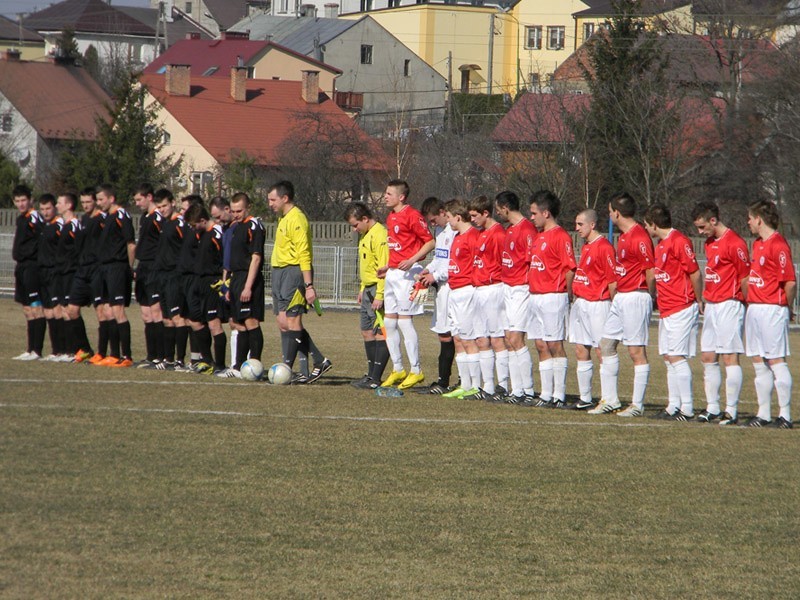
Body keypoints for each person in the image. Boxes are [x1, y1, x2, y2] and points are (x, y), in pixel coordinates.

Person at [589, 193, 655, 417]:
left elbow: (650, 271)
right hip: (622, 297)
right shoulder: (625, 236)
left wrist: (649, 296)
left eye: (610, 212)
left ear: (617, 213)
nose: (609, 216)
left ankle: (637, 405)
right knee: (606, 344)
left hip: (635, 296)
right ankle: (611, 399)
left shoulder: (639, 236)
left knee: (636, 351)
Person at [691, 201, 750, 425]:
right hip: (712, 305)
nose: (700, 231)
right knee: (707, 356)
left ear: (713, 220)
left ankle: (731, 411)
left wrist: (747, 302)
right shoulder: (709, 243)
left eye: (702, 226)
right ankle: (712, 407)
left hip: (730, 304)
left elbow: (744, 276)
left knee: (729, 356)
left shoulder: (735, 243)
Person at [268, 181, 331, 383]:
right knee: (282, 322)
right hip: (279, 273)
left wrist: (309, 285)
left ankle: (288, 368)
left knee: (293, 321)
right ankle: (318, 361)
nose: (270, 204)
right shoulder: (283, 219)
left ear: (285, 198)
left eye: (272, 199)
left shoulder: (297, 219)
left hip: (293, 274)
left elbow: (304, 254)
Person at [643, 203, 702, 421]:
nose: (646, 230)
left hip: (682, 307)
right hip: (667, 308)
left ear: (654, 224)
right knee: (668, 357)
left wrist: (698, 299)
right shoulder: (660, 245)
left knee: (677, 357)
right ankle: (673, 406)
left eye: (647, 225)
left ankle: (687, 409)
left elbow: (694, 273)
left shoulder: (679, 241)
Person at [743, 200, 796, 428]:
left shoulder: (778, 245)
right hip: (754, 308)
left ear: (759, 219)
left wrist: (787, 307)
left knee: (775, 360)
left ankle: (785, 415)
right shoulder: (757, 244)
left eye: (750, 218)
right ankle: (763, 413)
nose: (748, 222)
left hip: (772, 309)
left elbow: (790, 282)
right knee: (758, 361)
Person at [378, 180, 435, 390]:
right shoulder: (391, 216)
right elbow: (398, 247)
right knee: (389, 323)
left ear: (401, 197)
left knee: (404, 322)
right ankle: (398, 368)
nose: (385, 196)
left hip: (409, 275)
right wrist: (389, 266)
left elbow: (430, 241)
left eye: (389, 193)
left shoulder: (412, 215)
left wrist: (412, 260)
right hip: (394, 274)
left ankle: (416, 370)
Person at [527, 190, 577, 408]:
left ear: (546, 213)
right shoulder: (539, 237)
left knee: (555, 344)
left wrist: (566, 294)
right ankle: (546, 394)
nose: (531, 217)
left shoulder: (560, 236)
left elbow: (569, 268)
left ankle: (559, 394)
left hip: (552, 297)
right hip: (535, 296)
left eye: (534, 213)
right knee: (540, 344)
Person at [569, 209, 616, 411]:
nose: (576, 228)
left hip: (598, 304)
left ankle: (609, 399)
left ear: (592, 225)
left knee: (601, 351)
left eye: (580, 224)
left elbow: (612, 281)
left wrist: (615, 307)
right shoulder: (587, 246)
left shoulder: (604, 247)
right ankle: (585, 397)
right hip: (581, 304)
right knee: (580, 349)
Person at [495, 190, 536, 404]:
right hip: (507, 288)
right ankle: (516, 390)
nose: (497, 213)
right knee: (509, 340)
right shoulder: (510, 230)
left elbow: (531, 262)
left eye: (498, 209)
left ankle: (528, 390)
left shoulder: (527, 229)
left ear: (505, 208)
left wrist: (527, 286)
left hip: (521, 289)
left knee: (517, 339)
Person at [438, 198, 482, 399]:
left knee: (468, 338)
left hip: (466, 291)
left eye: (448, 217)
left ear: (457, 217)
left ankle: (476, 385)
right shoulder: (456, 236)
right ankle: (464, 384)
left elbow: (478, 264)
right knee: (457, 338)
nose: (447, 221)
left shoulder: (474, 236)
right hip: (454, 291)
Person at [345, 202, 389, 389]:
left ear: (365, 218)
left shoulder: (379, 234)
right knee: (366, 331)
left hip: (377, 291)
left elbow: (383, 268)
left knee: (380, 332)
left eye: (356, 225)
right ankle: (371, 375)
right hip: (368, 289)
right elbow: (367, 264)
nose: (354, 230)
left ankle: (376, 378)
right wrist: (363, 288)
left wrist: (379, 295)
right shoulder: (365, 235)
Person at [469, 195, 509, 400]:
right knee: (481, 339)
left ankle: (503, 386)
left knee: (497, 338)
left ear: (486, 213)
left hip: (494, 289)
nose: (472, 220)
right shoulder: (482, 233)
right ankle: (488, 386)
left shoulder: (499, 234)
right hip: (479, 290)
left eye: (475, 216)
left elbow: (505, 264)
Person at [222, 192, 266, 377]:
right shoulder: (235, 227)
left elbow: (256, 258)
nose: (236, 214)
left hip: (250, 279)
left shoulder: (254, 226)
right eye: (233, 211)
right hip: (237, 279)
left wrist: (248, 287)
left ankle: (254, 366)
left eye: (239, 210)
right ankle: (238, 366)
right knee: (239, 323)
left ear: (248, 208)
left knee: (251, 322)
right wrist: (229, 285)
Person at [418, 197, 457, 394]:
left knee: (453, 335)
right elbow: (439, 259)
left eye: (434, 220)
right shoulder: (440, 231)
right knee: (443, 333)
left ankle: (448, 382)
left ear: (443, 212)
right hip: (441, 288)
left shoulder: (456, 232)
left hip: (453, 288)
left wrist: (436, 275)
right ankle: (443, 381)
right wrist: (428, 270)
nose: (433, 224)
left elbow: (453, 265)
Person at [94, 184, 136, 367]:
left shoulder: (121, 215)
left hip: (117, 268)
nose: (98, 203)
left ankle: (126, 356)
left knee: (118, 311)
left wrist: (128, 267)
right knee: (107, 310)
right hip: (105, 268)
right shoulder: (108, 217)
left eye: (101, 199)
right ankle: (114, 354)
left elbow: (131, 243)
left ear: (111, 199)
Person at [184, 203, 227, 374]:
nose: (193, 229)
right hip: (198, 282)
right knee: (194, 320)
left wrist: (223, 281)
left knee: (214, 324)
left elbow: (225, 257)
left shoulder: (217, 233)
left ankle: (220, 365)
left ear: (202, 220)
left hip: (212, 282)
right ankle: (207, 360)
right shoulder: (202, 234)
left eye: (194, 225)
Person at [65, 188, 103, 362]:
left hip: (96, 270)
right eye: (84, 202)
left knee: (101, 311)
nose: (86, 205)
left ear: (95, 201)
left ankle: (103, 353)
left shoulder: (102, 219)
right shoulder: (84, 219)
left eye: (89, 202)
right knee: (72, 310)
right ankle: (85, 348)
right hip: (82, 271)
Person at [152, 189, 185, 370]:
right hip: (162, 276)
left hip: (174, 275)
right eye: (159, 207)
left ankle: (180, 359)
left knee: (177, 317)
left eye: (164, 205)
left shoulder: (180, 222)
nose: (162, 209)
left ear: (172, 202)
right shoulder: (164, 223)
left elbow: (187, 247)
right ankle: (168, 358)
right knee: (166, 318)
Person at [132, 183, 165, 368]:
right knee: (145, 314)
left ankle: (160, 356)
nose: (137, 203)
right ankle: (151, 355)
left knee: (155, 312)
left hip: (154, 268)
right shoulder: (145, 217)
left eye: (139, 199)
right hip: (143, 267)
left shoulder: (158, 217)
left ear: (149, 197)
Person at [11, 184, 45, 361]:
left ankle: (37, 350)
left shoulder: (34, 217)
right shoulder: (21, 219)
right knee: (26, 308)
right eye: (17, 201)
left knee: (35, 307)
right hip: (21, 266)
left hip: (32, 266)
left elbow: (42, 237)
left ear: (30, 200)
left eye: (23, 200)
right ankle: (29, 348)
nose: (21, 204)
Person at [36, 194, 68, 360]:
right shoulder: (43, 226)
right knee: (48, 312)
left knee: (57, 310)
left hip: (55, 272)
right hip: (43, 273)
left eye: (48, 208)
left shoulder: (60, 225)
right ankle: (55, 350)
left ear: (54, 207)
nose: (45, 212)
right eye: (42, 209)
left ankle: (64, 350)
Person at [55, 193, 84, 358]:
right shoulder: (64, 225)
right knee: (64, 311)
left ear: (68, 205)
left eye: (59, 203)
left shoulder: (74, 225)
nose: (57, 206)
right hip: (61, 273)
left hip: (71, 273)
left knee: (70, 311)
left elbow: (79, 250)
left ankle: (76, 350)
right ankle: (68, 350)